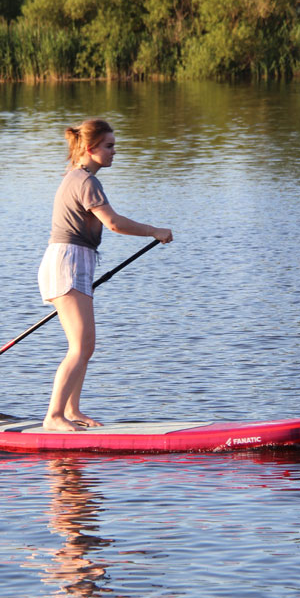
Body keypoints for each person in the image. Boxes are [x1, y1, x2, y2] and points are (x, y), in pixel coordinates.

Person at [38, 118, 173, 432]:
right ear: (90, 148)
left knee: (86, 344)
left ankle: (71, 410)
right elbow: (113, 223)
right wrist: (154, 231)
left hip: (74, 262)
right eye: (109, 146)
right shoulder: (85, 181)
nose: (115, 152)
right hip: (67, 263)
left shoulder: (79, 178)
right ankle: (53, 416)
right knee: (80, 346)